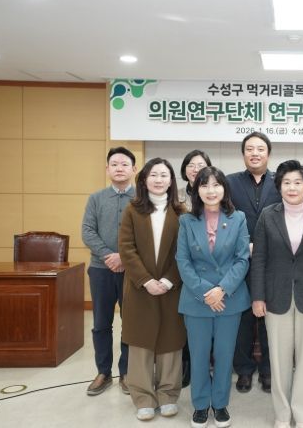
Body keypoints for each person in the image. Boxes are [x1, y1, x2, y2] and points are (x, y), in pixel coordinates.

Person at [250, 160, 303, 428]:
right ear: (279, 186)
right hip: (275, 298)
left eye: (297, 182)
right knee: (278, 361)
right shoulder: (268, 215)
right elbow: (259, 259)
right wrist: (257, 297)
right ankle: (282, 414)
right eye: (286, 182)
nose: (292, 187)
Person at [176, 166, 250, 428]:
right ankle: (199, 405)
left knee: (224, 355)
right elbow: (182, 261)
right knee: (198, 356)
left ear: (224, 189)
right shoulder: (186, 221)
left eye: (216, 184)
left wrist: (222, 289)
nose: (211, 190)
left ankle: (220, 404)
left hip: (229, 299)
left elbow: (242, 259)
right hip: (197, 300)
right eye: (204, 185)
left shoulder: (238, 218)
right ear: (196, 190)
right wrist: (205, 292)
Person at [119, 158, 187, 421]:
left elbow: (185, 252)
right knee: (141, 342)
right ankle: (143, 397)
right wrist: (146, 280)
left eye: (164, 175)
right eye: (154, 175)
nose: (159, 180)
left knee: (170, 341)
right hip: (140, 288)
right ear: (144, 179)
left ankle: (168, 395)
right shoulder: (132, 210)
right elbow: (126, 248)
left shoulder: (181, 212)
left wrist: (169, 280)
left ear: (171, 180)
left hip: (172, 288)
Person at [227, 132, 281, 393]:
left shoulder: (281, 181)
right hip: (239, 261)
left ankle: (269, 370)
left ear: (268, 153)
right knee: (243, 319)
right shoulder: (229, 182)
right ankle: (244, 370)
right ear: (243, 154)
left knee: (270, 317)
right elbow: (224, 218)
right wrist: (244, 244)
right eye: (250, 149)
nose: (255, 153)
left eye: (260, 149)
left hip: (274, 262)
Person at [82, 146, 137, 396]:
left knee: (131, 322)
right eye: (114, 164)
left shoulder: (142, 199)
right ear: (107, 169)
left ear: (134, 169)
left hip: (132, 271)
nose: (119, 168)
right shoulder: (96, 198)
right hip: (100, 269)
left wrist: (124, 257)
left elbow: (146, 235)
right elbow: (87, 231)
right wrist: (109, 256)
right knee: (101, 323)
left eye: (124, 164)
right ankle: (103, 372)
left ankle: (126, 372)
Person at [178, 149, 212, 388]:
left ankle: (207, 365)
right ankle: (187, 364)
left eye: (201, 165)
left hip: (208, 269)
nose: (195, 169)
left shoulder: (215, 194)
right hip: (182, 264)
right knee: (186, 321)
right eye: (191, 164)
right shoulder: (175, 196)